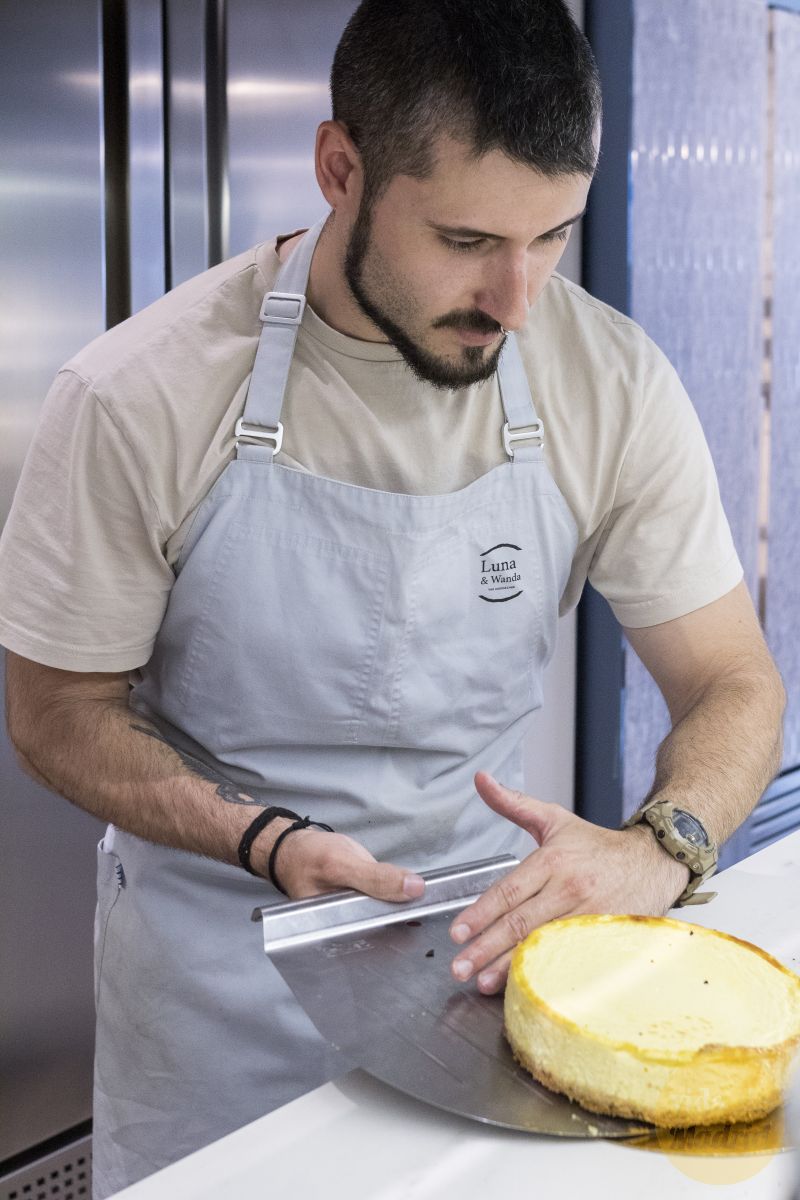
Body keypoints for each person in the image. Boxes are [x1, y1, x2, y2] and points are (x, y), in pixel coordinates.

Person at [0, 0, 784, 1195]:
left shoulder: (606, 381)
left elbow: (731, 679)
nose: (515, 297)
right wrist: (265, 841)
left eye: (551, 236)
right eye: (467, 239)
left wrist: (659, 848)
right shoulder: (139, 396)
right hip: (215, 995)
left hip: (481, 981)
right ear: (339, 170)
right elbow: (56, 712)